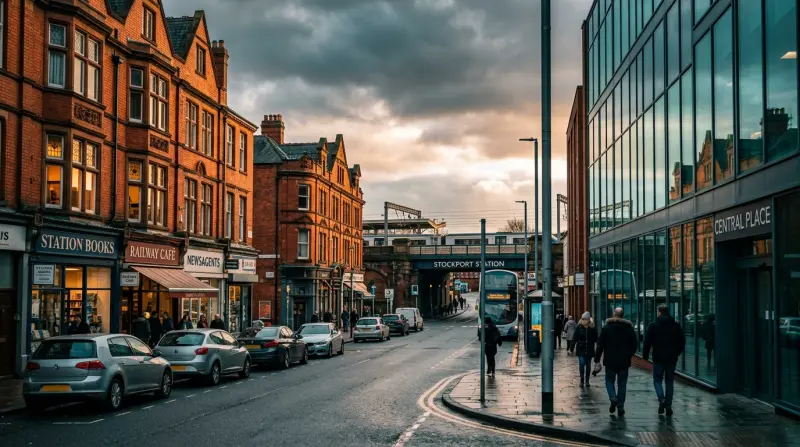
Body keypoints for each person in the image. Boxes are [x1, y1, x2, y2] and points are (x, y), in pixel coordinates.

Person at [643, 304, 686, 416]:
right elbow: (682, 342)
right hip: (671, 358)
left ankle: (661, 399)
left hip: (658, 357)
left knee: (657, 379)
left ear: (659, 312)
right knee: (669, 381)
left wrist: (645, 356)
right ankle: (668, 405)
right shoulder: (676, 326)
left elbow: (647, 342)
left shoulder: (653, 326)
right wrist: (676, 353)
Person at [594, 307, 638, 416]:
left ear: (614, 314)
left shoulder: (607, 328)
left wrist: (597, 359)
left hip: (610, 360)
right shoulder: (629, 329)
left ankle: (613, 397)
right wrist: (629, 355)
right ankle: (620, 406)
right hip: (624, 361)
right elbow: (634, 345)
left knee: (609, 381)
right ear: (623, 315)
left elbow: (600, 345)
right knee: (622, 384)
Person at [574, 312, 598, 388]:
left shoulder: (592, 327)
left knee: (588, 366)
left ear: (589, 319)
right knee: (581, 364)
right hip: (581, 349)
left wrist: (590, 340)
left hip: (589, 349)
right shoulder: (578, 327)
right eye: (582, 319)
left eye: (585, 319)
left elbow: (596, 338)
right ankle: (581, 380)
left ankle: (587, 381)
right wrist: (570, 349)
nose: (584, 320)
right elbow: (575, 337)